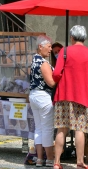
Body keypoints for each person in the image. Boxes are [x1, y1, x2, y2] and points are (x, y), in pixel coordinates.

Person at [52, 25, 88, 169]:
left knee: (61, 129)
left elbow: (56, 74)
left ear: (72, 37)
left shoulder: (64, 51)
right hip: (82, 96)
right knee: (80, 130)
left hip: (64, 95)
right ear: (84, 37)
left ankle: (57, 162)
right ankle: (79, 162)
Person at [29, 35, 56, 167]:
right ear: (41, 46)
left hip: (33, 95)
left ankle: (39, 159)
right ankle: (50, 158)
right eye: (49, 46)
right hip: (43, 96)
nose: (50, 49)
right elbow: (51, 83)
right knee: (47, 129)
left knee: (39, 128)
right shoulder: (43, 63)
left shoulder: (34, 60)